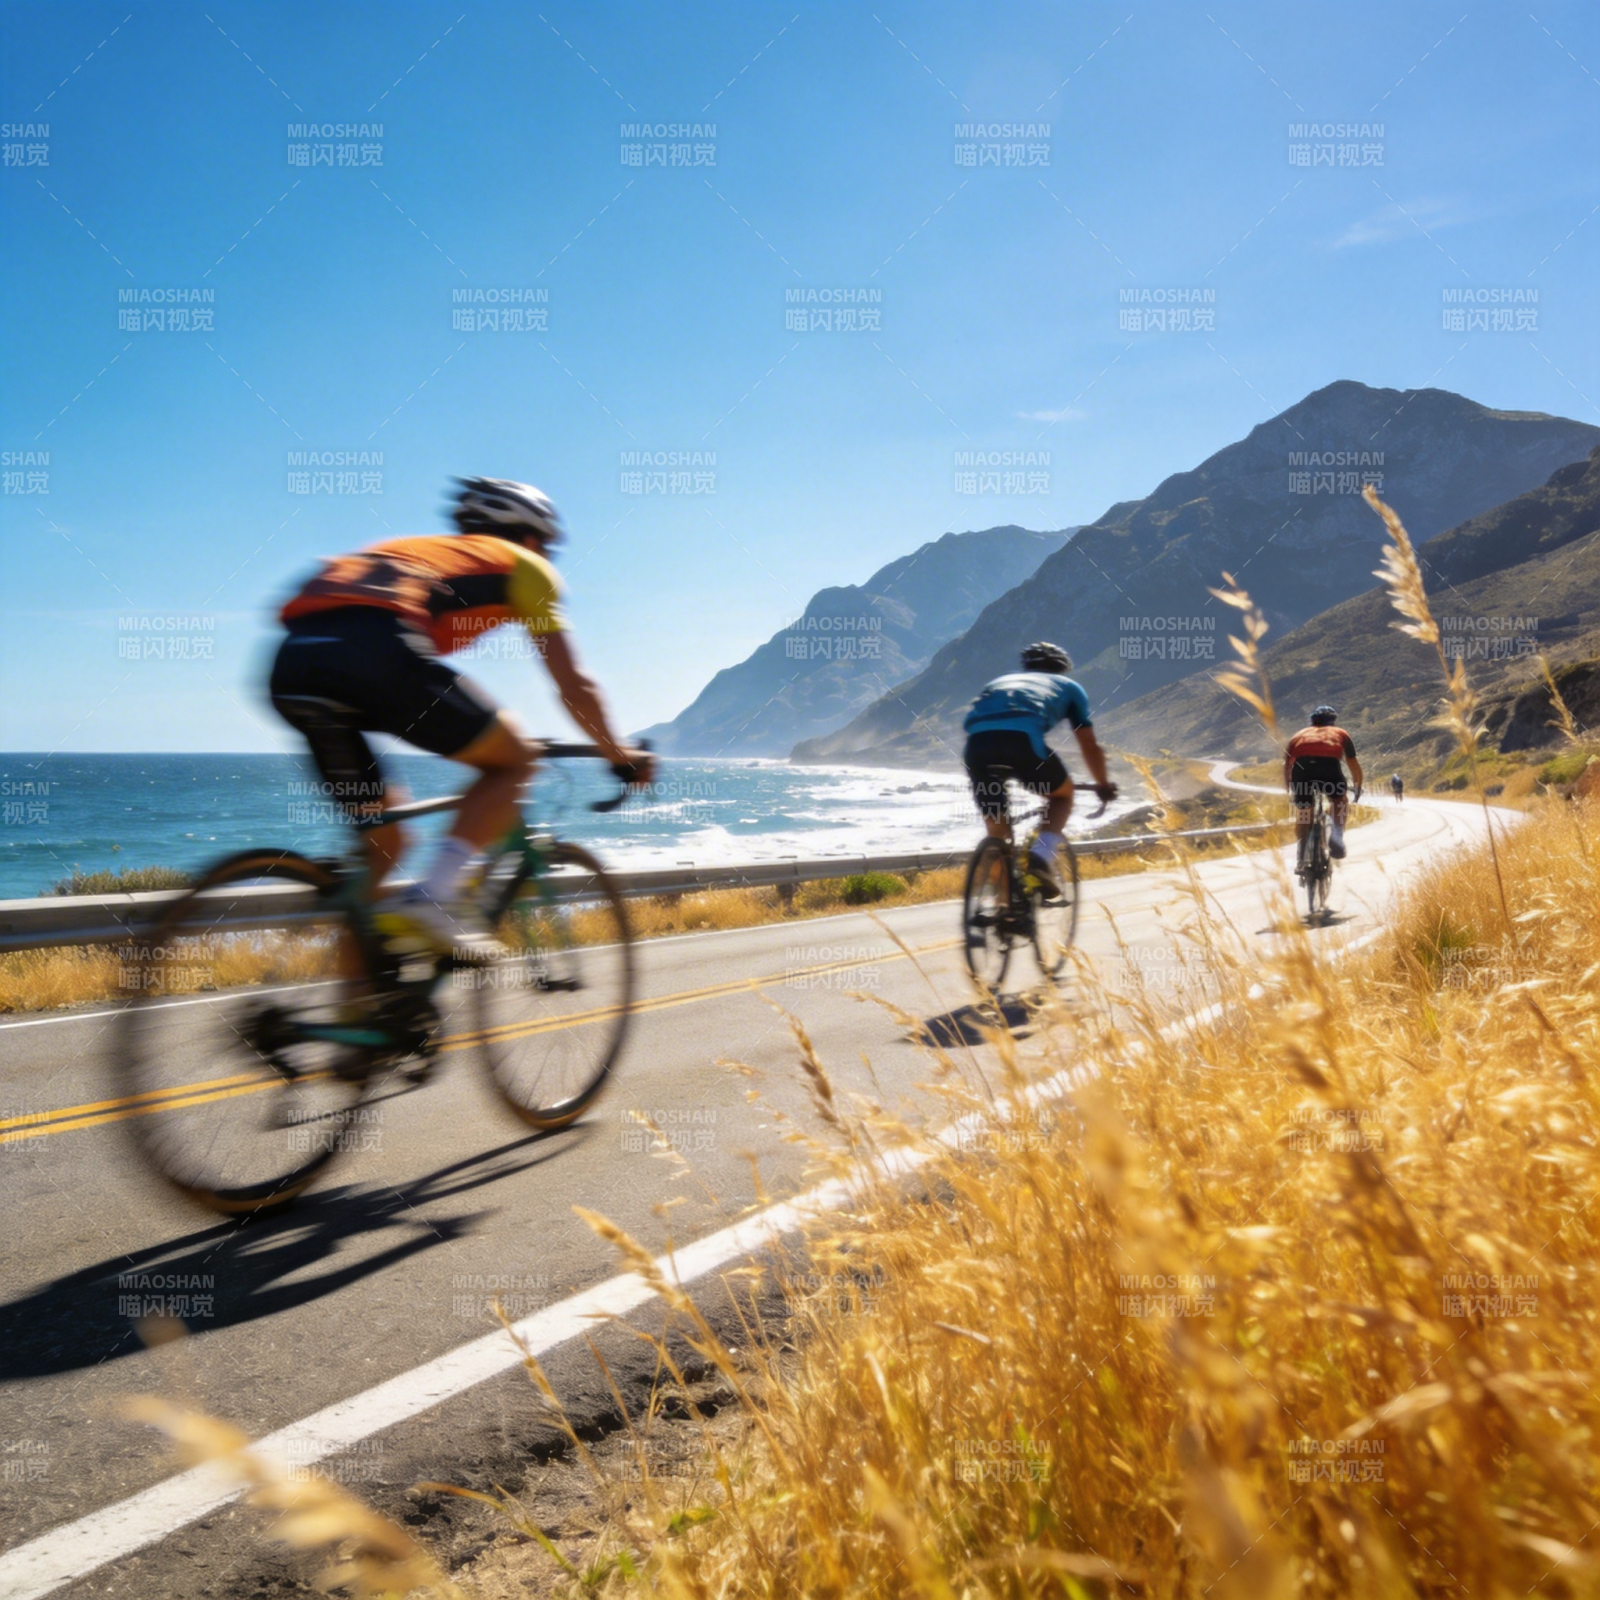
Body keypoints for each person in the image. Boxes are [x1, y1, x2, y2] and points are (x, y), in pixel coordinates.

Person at [269, 477, 654, 956]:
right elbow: (574, 685)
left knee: (384, 847)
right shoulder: (525, 564)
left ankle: (363, 997)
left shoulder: (409, 551)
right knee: (515, 761)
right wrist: (619, 755)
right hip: (375, 652)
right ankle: (433, 900)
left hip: (293, 667)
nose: (548, 557)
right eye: (548, 548)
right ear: (531, 538)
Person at [962, 642, 1117, 896]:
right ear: (1061, 668)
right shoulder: (1069, 687)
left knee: (997, 833)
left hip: (977, 748)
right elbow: (1089, 746)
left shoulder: (999, 682)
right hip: (1022, 743)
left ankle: (1001, 906)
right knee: (1062, 796)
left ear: (1027, 666)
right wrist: (1103, 784)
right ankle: (1040, 859)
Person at [1283, 706, 1363, 861]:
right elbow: (1353, 764)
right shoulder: (1341, 733)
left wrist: (1290, 788)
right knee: (1340, 801)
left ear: (1312, 722)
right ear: (1332, 721)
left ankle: (1302, 853)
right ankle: (1337, 836)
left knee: (1305, 812)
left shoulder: (1298, 735)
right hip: (1328, 767)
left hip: (1302, 770)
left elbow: (1287, 764)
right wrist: (1358, 787)